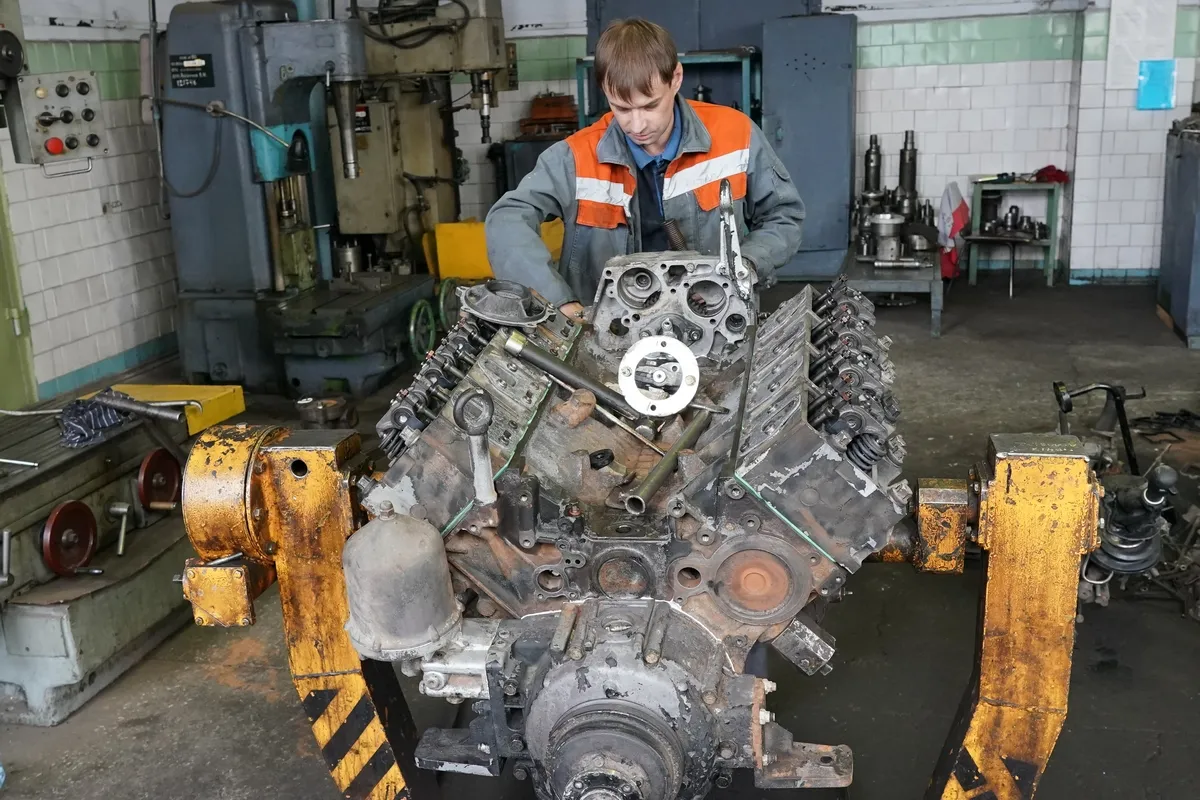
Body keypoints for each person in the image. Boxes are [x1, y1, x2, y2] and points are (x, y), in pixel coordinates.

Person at [485, 18, 805, 320]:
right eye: (622, 108)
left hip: (714, 324)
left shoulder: (735, 134)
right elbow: (507, 218)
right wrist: (556, 300)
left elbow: (783, 216)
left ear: (675, 78)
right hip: (604, 334)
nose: (637, 125)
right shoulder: (575, 157)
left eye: (650, 105)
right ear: (604, 91)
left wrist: (745, 265)